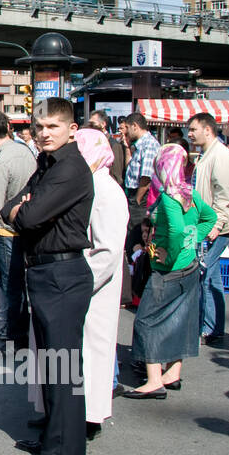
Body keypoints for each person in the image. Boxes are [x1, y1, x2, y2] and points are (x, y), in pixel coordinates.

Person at [1, 97, 93, 455]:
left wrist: (24, 208)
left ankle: (66, 453)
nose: (44, 134)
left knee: (64, 366)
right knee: (53, 364)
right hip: (46, 273)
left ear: (72, 129)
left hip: (62, 274)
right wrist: (21, 208)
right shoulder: (48, 164)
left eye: (53, 126)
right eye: (39, 127)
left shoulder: (69, 167)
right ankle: (55, 438)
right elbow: (8, 207)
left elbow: (30, 214)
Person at [125, 144, 218, 398]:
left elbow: (176, 230)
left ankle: (154, 379)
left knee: (147, 320)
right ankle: (173, 372)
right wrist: (192, 240)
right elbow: (209, 218)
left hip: (168, 269)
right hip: (188, 267)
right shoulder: (189, 192)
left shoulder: (169, 197)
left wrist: (173, 250)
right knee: (181, 320)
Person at [74, 128, 128, 436]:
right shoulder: (90, 184)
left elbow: (107, 249)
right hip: (83, 282)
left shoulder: (105, 190)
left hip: (93, 286)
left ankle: (90, 417)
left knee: (93, 352)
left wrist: (80, 283)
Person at [188, 113, 229, 344]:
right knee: (210, 277)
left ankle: (210, 327)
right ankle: (212, 326)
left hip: (217, 226)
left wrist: (216, 224)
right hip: (208, 224)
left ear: (208, 130)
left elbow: (225, 194)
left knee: (206, 274)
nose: (190, 134)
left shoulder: (220, 155)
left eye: (193, 129)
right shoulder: (206, 154)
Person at [0, 111, 37, 347]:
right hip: (30, 226)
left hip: (8, 231)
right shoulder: (26, 151)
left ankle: (16, 334)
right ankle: (21, 329)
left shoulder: (1, 161)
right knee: (20, 284)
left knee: (11, 285)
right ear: (7, 127)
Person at [122, 113, 159, 306]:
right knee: (132, 242)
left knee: (136, 240)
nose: (125, 132)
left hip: (140, 197)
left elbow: (146, 177)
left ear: (135, 126)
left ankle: (136, 289)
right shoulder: (139, 146)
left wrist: (137, 200)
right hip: (135, 195)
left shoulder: (150, 145)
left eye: (127, 128)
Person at [86, 111, 126, 187]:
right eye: (89, 124)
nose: (90, 126)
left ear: (103, 124)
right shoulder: (91, 142)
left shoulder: (113, 144)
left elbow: (117, 175)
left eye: (93, 123)